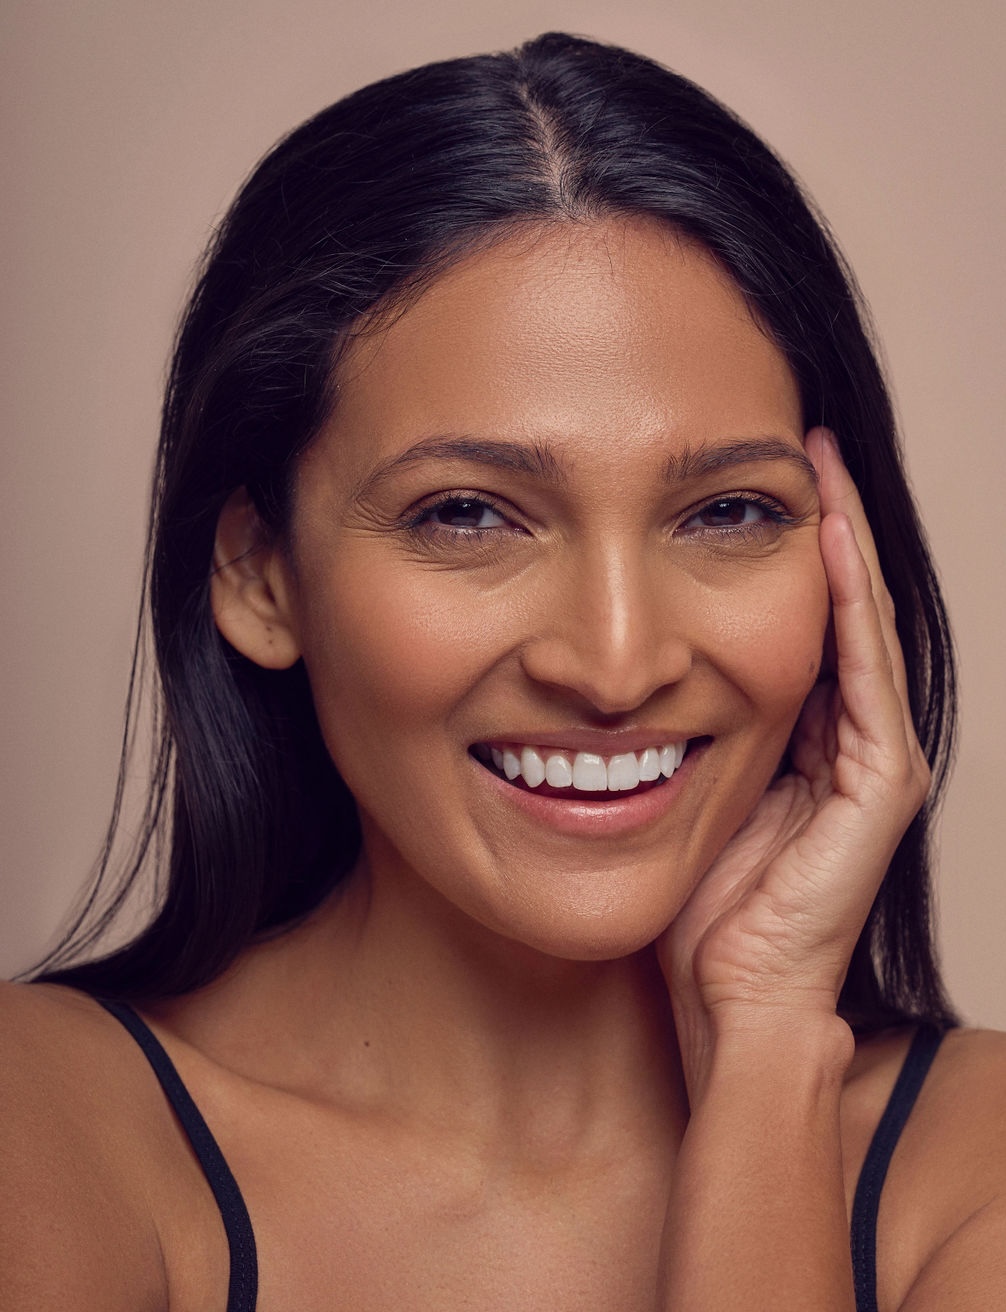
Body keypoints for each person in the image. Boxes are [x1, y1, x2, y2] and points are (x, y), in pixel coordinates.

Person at [2, 31, 1003, 1310]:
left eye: (726, 512)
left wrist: (766, 1065)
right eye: (467, 515)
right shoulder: (48, 1122)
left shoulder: (970, 1166)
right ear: (262, 573)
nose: (617, 662)